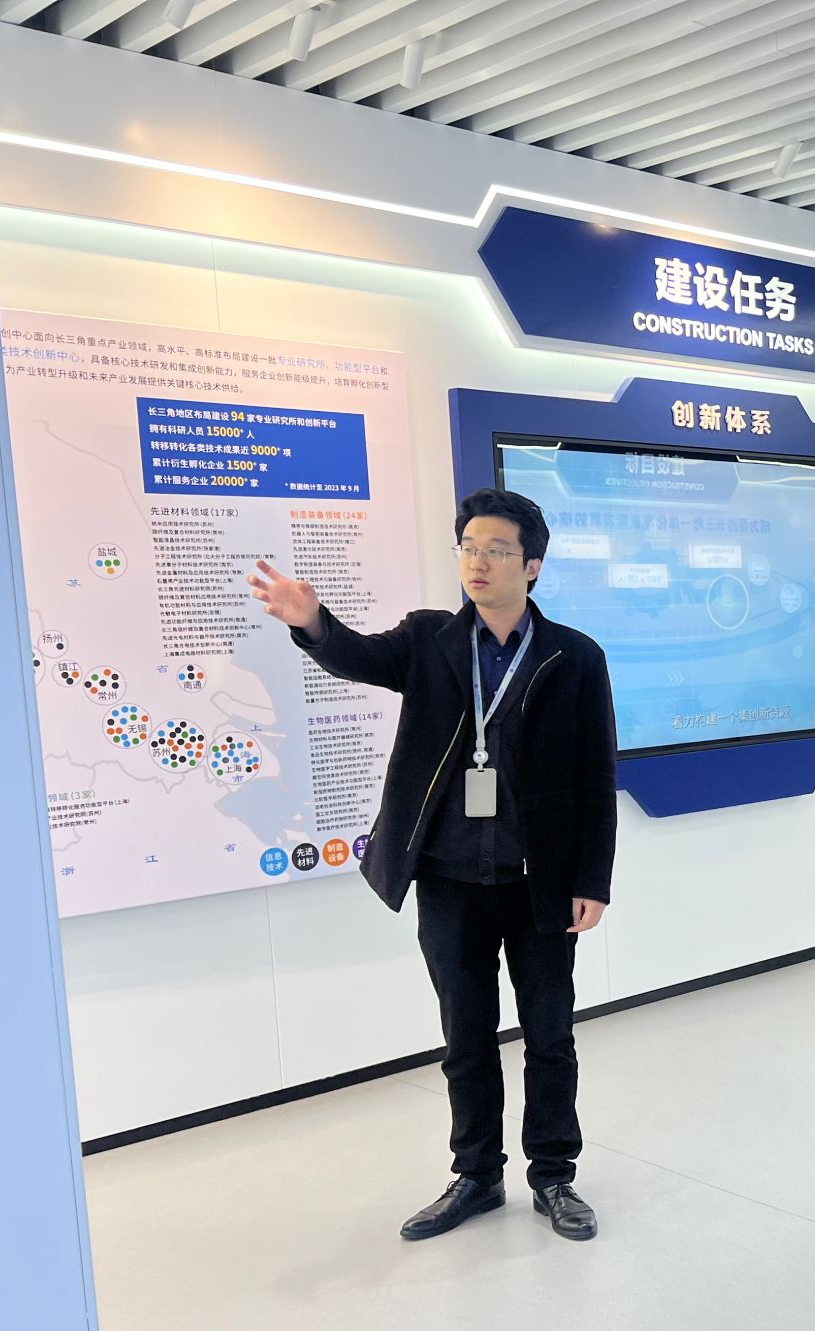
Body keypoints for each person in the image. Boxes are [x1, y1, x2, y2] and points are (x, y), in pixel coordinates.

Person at [246, 488, 618, 1243]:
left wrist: (593, 879)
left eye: (497, 550)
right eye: (468, 547)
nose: (478, 562)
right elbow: (358, 657)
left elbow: (595, 775)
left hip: (539, 880)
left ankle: (554, 1176)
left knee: (550, 1035)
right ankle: (476, 1175)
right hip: (449, 879)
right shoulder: (427, 640)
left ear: (532, 565)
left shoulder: (573, 656)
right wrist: (312, 622)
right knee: (465, 1037)